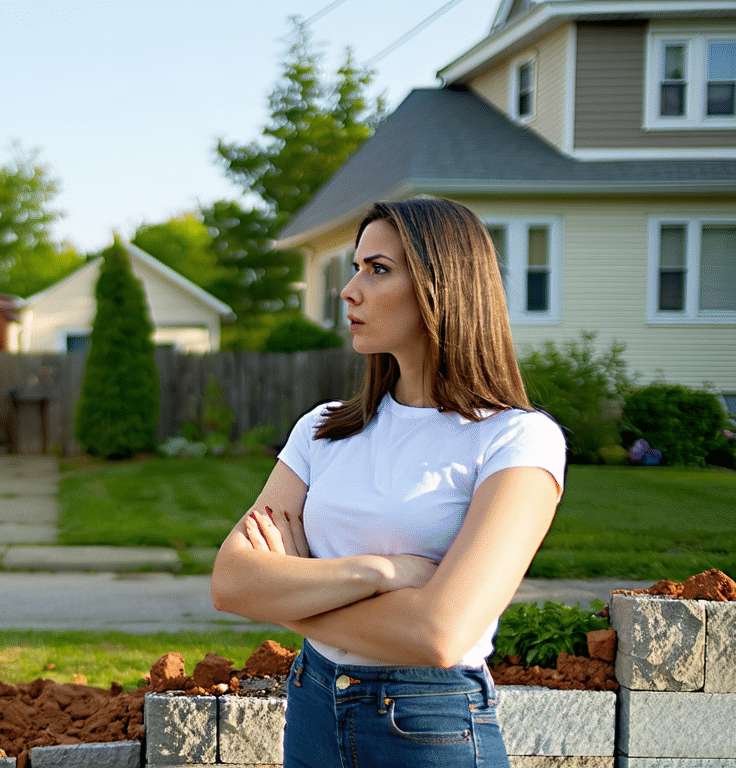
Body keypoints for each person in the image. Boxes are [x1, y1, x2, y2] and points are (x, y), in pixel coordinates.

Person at [210, 197, 565, 768]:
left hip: (426, 725)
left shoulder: (516, 441)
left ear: (441, 285)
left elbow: (441, 634)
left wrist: (290, 590)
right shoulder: (323, 428)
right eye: (355, 268)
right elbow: (231, 582)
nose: (350, 290)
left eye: (377, 270)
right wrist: (379, 573)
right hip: (313, 704)